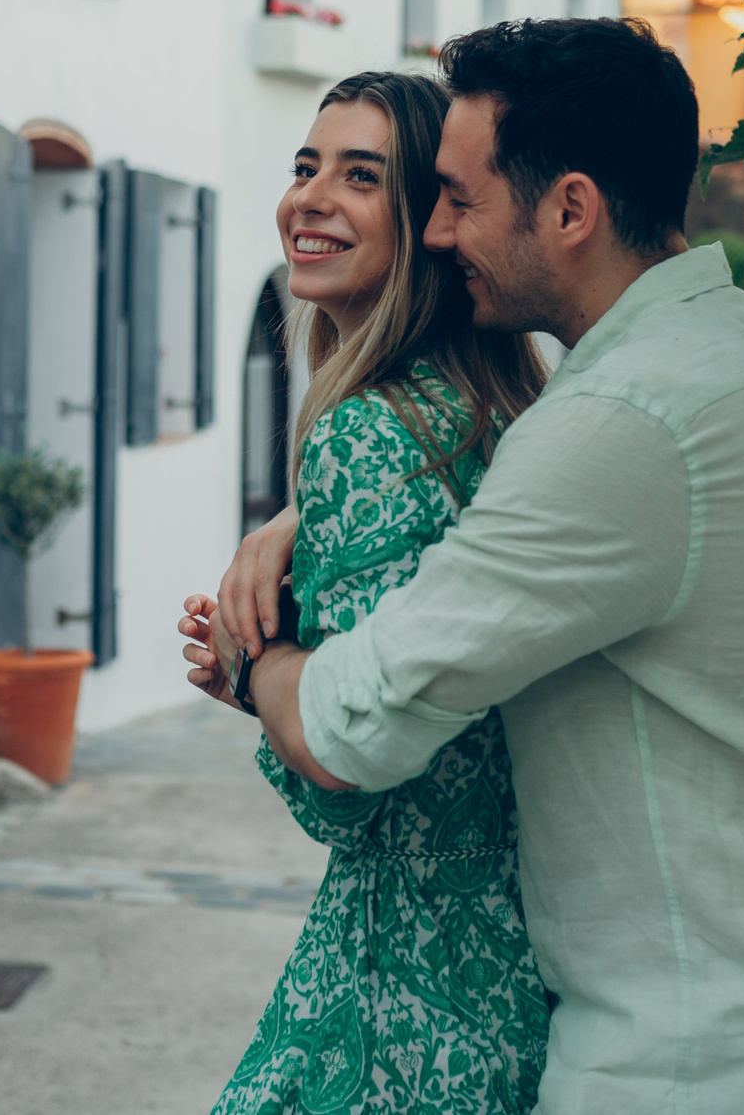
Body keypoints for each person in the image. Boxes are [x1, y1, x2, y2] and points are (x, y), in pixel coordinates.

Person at [183, 19, 744, 1113]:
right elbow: (521, 511)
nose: (438, 227)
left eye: (458, 198)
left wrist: (255, 655)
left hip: (695, 1062)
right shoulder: (718, 352)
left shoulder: (618, 419)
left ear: (568, 208)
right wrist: (304, 524)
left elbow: (346, 730)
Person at [205, 70, 552, 1115]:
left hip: (405, 975)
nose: (310, 196)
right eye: (304, 166)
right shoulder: (495, 411)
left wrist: (255, 666)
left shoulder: (364, 432)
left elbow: (346, 773)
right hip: (513, 950)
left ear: (426, 222)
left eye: (360, 176)